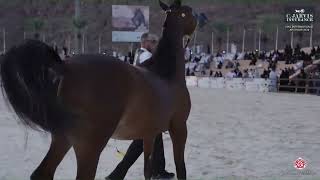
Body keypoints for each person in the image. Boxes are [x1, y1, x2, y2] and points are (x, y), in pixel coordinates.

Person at [106, 33, 175, 180]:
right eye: (153, 41)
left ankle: (158, 170)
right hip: (146, 104)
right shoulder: (145, 56)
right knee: (143, 140)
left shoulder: (141, 54)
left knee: (155, 137)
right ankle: (118, 173)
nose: (155, 44)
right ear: (145, 42)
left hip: (146, 103)